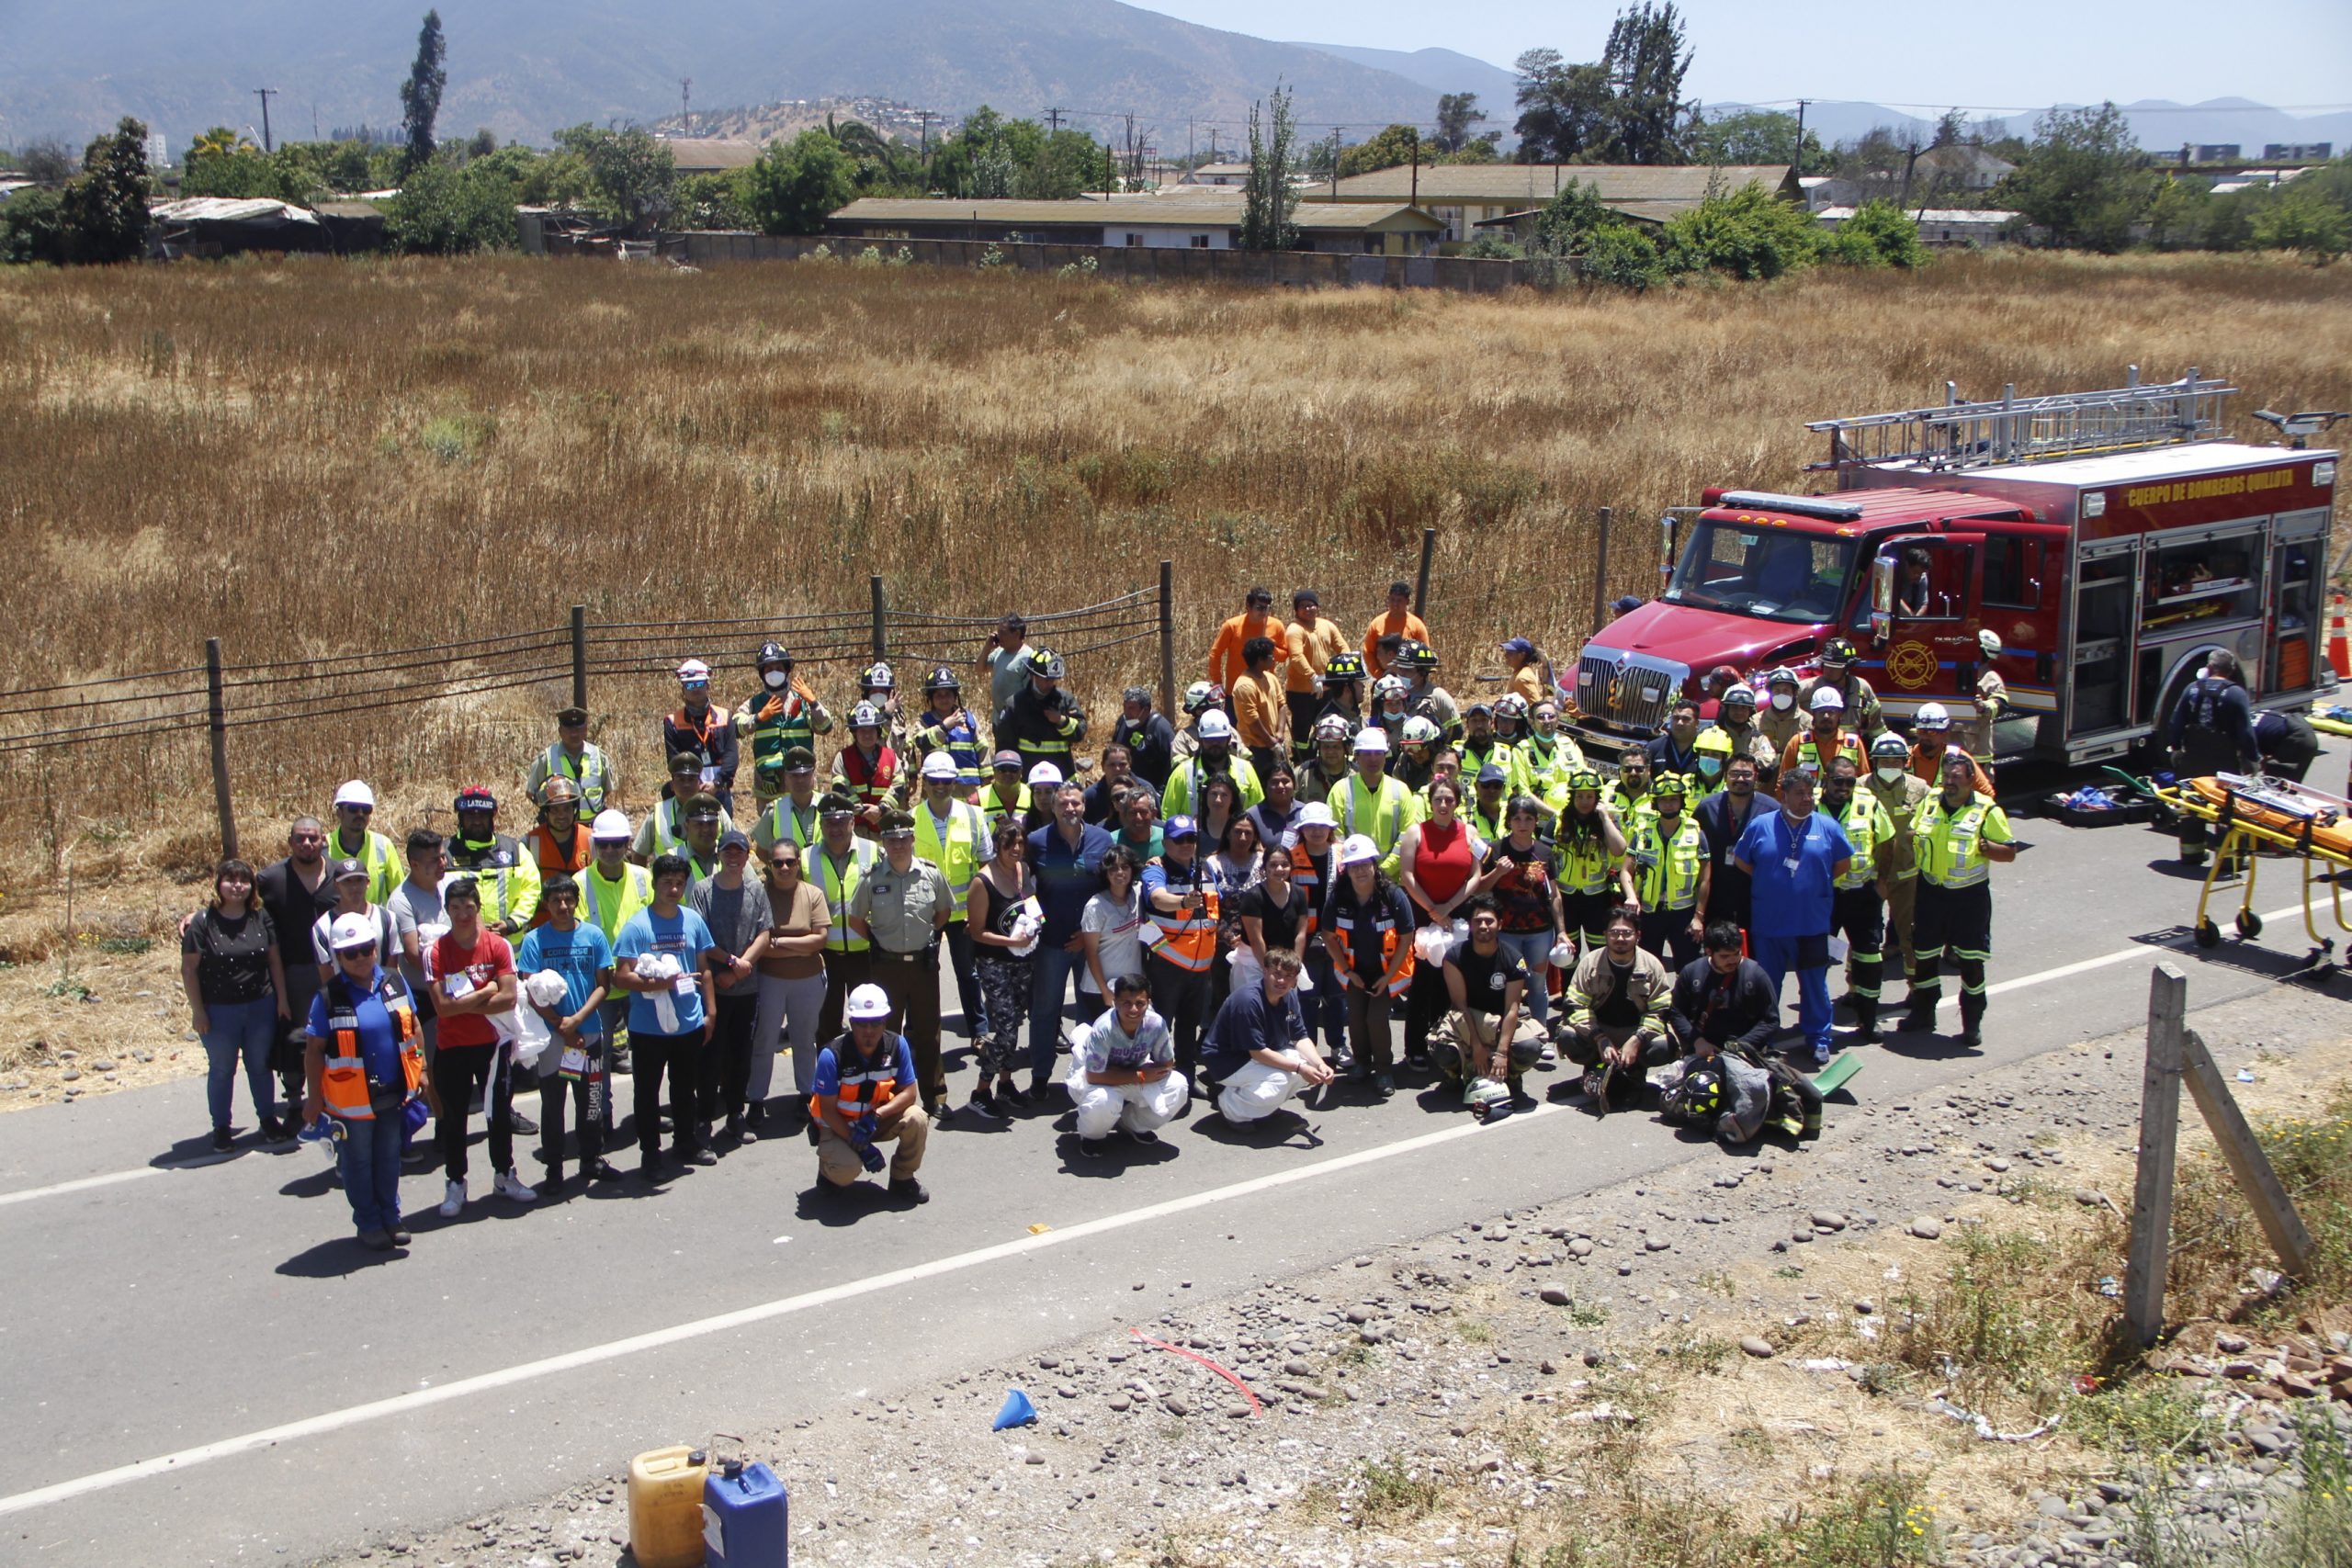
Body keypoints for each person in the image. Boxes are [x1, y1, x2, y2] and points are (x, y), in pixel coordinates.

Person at [303, 912, 425, 1249]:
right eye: (350, 953)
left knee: (388, 1157)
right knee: (358, 1162)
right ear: (338, 957)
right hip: (352, 1100)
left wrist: (423, 1070)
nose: (360, 958)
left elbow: (413, 1027)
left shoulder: (393, 981)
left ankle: (391, 1216)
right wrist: (314, 1099)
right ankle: (368, 1222)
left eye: (366, 949)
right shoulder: (327, 997)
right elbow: (314, 1051)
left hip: (393, 1090)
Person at [424, 877, 533, 1214]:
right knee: (454, 1119)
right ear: (447, 910)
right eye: (455, 908)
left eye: (468, 907)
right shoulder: (436, 952)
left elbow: (509, 998)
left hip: (493, 1045)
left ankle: (504, 1175)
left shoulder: (498, 947)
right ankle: (456, 1183)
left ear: (478, 907)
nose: (462, 914)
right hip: (452, 1047)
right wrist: (484, 993)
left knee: (499, 1115)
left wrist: (467, 1002)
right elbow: (442, 1008)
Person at [1734, 765, 1853, 1067]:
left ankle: (1818, 1038)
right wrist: (1773, 883)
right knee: (1768, 984)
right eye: (1799, 793)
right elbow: (1742, 861)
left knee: (1814, 984)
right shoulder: (1762, 825)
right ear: (1782, 795)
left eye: (1810, 793)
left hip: (1811, 922)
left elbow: (1842, 864)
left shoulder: (1827, 826)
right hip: (1770, 922)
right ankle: (1766, 1035)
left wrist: (1812, 886)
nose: (1806, 799)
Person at [613, 853, 722, 1178]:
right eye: (666, 883)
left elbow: (704, 970)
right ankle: (650, 1154)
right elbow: (621, 976)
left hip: (689, 1021)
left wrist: (711, 1011)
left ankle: (685, 1141)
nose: (673, 889)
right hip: (649, 1028)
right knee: (647, 1092)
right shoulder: (637, 926)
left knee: (685, 1087)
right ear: (655, 884)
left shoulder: (692, 921)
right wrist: (661, 982)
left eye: (678, 883)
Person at [1903, 749, 2018, 1050]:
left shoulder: (1987, 810)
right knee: (1924, 957)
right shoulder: (1929, 803)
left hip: (1969, 898)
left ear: (1970, 781)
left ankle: (1972, 1024)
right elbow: (1913, 832)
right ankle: (1924, 1012)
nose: (1949, 782)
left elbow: (2009, 852)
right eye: (1946, 777)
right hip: (1931, 892)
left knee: (1971, 964)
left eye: (1956, 778)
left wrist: (1986, 846)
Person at [514, 874, 619, 1190]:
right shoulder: (535, 940)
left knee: (590, 1102)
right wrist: (560, 1025)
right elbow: (530, 989)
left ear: (576, 902)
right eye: (556, 901)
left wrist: (577, 1021)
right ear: (546, 904)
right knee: (553, 1104)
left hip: (587, 1034)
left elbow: (603, 985)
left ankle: (591, 1159)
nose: (563, 906)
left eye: (568, 900)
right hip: (552, 1040)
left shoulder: (593, 935)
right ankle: (555, 1170)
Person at [849, 807, 956, 1113]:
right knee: (887, 1033)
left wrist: (928, 934)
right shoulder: (872, 879)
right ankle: (889, 1097)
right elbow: (856, 918)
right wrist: (878, 940)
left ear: (912, 840)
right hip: (886, 966)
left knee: (928, 1031)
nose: (897, 845)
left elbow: (943, 912)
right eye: (891, 839)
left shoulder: (930, 873)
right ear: (883, 842)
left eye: (903, 839)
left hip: (923, 964)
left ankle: (935, 1096)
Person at [182, 858, 291, 1150]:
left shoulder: (260, 917)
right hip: (219, 1011)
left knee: (260, 1066)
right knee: (222, 1069)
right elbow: (189, 970)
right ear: (218, 884)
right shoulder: (202, 923)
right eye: (230, 880)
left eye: (244, 880)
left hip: (260, 1005)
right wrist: (198, 1011)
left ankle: (268, 1119)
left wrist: (281, 999)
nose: (237, 886)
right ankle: (221, 1127)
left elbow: (274, 960)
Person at [809, 984, 931, 1205]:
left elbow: (910, 1093)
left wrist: (876, 1116)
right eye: (862, 1024)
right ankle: (829, 1172)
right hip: (838, 1126)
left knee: (917, 1117)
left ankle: (902, 1178)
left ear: (885, 1021)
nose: (869, 1030)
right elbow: (827, 1110)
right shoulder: (831, 1055)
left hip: (874, 1122)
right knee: (846, 1169)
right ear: (852, 1024)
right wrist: (861, 1146)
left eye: (876, 1023)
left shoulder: (897, 1045)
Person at [692, 829, 773, 1146]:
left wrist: (740, 971)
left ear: (747, 855)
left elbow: (764, 934)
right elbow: (700, 936)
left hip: (746, 987)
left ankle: (736, 1114)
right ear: (719, 854)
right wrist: (728, 964)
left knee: (742, 1054)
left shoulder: (756, 889)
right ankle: (704, 1118)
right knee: (710, 1056)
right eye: (728, 851)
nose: (734, 857)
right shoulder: (702, 890)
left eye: (739, 851)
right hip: (713, 987)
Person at [1319, 832, 1416, 1093]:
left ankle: (1384, 1070)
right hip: (1355, 972)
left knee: (1375, 1017)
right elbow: (1327, 936)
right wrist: (1349, 971)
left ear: (1374, 865)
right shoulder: (1338, 897)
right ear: (1346, 870)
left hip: (1387, 972)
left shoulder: (1392, 895)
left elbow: (1407, 937)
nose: (1360, 870)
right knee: (1357, 1017)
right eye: (1354, 866)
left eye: (1364, 864)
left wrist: (1388, 977)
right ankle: (1362, 1064)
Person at [1398, 777, 1486, 1062]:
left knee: (1454, 981)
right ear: (1430, 802)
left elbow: (1475, 875)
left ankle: (1449, 1044)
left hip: (1458, 913)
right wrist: (1434, 910)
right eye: (1438, 799)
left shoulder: (1469, 833)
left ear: (1457, 802)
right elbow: (1407, 876)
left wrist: (1449, 906)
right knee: (1423, 982)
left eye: (1449, 799)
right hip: (1424, 914)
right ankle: (1417, 1049)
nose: (1444, 804)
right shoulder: (1415, 833)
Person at [909, 750, 993, 1042]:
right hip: (925, 913)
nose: (940, 786)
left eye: (946, 780)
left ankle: (979, 1032)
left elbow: (985, 866)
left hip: (963, 913)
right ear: (925, 782)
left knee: (968, 974)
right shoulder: (912, 819)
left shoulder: (973, 815)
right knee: (920, 976)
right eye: (934, 780)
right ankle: (916, 1033)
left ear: (955, 782)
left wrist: (979, 910)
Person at [256, 817, 338, 1118]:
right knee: (295, 1036)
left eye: (313, 838)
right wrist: (195, 918)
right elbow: (235, 902)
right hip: (294, 971)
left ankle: (335, 1095)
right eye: (300, 838)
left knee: (337, 1033)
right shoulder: (270, 879)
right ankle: (294, 1101)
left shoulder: (339, 874)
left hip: (337, 967)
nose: (307, 844)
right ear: (290, 842)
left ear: (323, 841)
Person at [1557, 906, 1674, 1111]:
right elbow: (1574, 1006)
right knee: (1566, 1035)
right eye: (1614, 932)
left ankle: (1634, 1070)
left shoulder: (1652, 965)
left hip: (1635, 1031)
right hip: (1599, 1030)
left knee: (1665, 1046)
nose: (1620, 938)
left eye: (1627, 933)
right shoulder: (1590, 963)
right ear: (1605, 935)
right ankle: (1595, 1066)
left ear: (1638, 935)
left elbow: (1661, 1010)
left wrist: (1637, 1040)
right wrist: (1600, 1038)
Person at [749, 838, 830, 1134]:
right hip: (770, 981)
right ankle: (756, 1098)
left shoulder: (813, 894)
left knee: (804, 1040)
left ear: (798, 864)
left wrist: (778, 942)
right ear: (769, 866)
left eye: (790, 862)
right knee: (765, 1040)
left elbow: (819, 940)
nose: (784, 867)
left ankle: (807, 1094)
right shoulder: (760, 894)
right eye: (778, 862)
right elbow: (757, 945)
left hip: (808, 981)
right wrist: (800, 945)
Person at [1201, 949, 1330, 1126]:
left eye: (1289, 976)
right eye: (1277, 974)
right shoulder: (1248, 1001)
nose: (1282, 980)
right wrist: (1299, 1068)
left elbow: (1300, 1037)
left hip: (1259, 1054)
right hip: (1228, 1062)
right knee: (1281, 1079)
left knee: (1306, 1068)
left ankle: (1262, 1106)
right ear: (1265, 971)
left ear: (1295, 979)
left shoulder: (1290, 995)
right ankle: (1230, 1106)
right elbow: (1258, 1053)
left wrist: (1320, 1064)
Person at [1433, 897, 1542, 1107]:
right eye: (1478, 921)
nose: (1483, 926)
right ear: (1470, 925)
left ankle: (1511, 1075)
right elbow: (1460, 1005)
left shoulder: (1513, 959)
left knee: (1530, 1047)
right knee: (1443, 1052)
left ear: (1500, 924)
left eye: (1489, 921)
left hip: (1501, 1022)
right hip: (1467, 1019)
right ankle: (1457, 1074)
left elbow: (1513, 1008)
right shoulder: (1454, 957)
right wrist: (1476, 1045)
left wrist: (1501, 1052)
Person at [1820, 757, 1897, 1043]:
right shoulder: (1811, 804)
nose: (1844, 787)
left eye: (1850, 782)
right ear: (1826, 779)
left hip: (1862, 895)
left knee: (1868, 957)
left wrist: (1882, 883)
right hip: (1824, 899)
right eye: (1838, 781)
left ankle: (1868, 1019)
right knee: (1819, 959)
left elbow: (1887, 842)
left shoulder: (1869, 803)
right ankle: (1816, 1023)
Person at [1067, 973, 1186, 1155]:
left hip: (1129, 1073)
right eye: (1126, 1003)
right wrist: (1139, 1075)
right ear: (1115, 1003)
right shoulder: (1104, 1028)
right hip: (1100, 1079)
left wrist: (1130, 1073)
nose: (1133, 1010)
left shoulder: (1156, 1024)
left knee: (1178, 1086)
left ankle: (1132, 1124)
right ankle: (1092, 1136)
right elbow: (1094, 1075)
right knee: (1101, 1102)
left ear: (1148, 1002)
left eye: (1140, 1003)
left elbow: (1167, 1064)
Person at [968, 819, 1039, 1115]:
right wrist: (1010, 941)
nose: (1016, 849)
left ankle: (1005, 1083)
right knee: (1006, 1030)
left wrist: (1034, 930)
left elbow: (1033, 906)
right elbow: (976, 931)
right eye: (1009, 844)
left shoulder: (1024, 871)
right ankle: (981, 1091)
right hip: (994, 963)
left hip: (1023, 962)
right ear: (997, 845)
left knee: (1015, 1022)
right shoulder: (982, 882)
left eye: (1020, 843)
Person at [1471, 795, 1562, 1027]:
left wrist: (1561, 931)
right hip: (1506, 932)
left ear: (1535, 822)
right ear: (1509, 821)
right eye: (1517, 819)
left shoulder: (1544, 852)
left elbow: (1555, 895)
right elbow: (1478, 889)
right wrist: (1497, 873)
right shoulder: (1495, 849)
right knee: (1505, 982)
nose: (1522, 824)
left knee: (1537, 983)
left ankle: (1539, 1033)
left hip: (1540, 931)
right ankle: (1503, 1031)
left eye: (1528, 819)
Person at [1142, 815, 1218, 1083]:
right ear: (1165, 842)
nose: (1186, 844)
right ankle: (1157, 1078)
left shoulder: (1206, 869)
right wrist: (1184, 901)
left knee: (1189, 1026)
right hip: (1168, 964)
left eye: (1191, 839)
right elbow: (1157, 899)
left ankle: (1187, 1076)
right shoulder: (1156, 869)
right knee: (1160, 1024)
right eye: (1179, 840)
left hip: (1201, 968)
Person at [2168, 649, 2261, 867]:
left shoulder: (2191, 689)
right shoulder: (2236, 693)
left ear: (2209, 668)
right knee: (2227, 805)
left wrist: (2175, 749)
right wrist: (2252, 759)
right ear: (2231, 671)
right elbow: (2246, 732)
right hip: (2224, 759)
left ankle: (2191, 853)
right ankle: (2229, 859)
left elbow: (2176, 722)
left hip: (2193, 756)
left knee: (2192, 802)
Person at [1863, 732, 1932, 1014]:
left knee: (1910, 936)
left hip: (1906, 876)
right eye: (1884, 760)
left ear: (1905, 762)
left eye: (1896, 760)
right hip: (1868, 875)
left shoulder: (1921, 788)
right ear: (1874, 761)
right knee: (1864, 937)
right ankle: (1857, 989)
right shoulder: (1859, 787)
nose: (1890, 764)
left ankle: (1917, 989)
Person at [578, 810, 651, 1066]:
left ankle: (646, 1107)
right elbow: (580, 937)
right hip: (601, 985)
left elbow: (657, 925)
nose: (610, 849)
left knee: (647, 1052)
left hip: (640, 980)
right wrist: (604, 970)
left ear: (627, 844)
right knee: (600, 1054)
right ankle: (603, 1109)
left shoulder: (643, 877)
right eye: (603, 844)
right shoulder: (580, 882)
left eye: (617, 843)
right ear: (594, 844)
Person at [809, 795, 880, 1043]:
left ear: (852, 822)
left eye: (841, 821)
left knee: (868, 1023)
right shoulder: (806, 857)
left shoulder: (873, 851)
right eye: (829, 823)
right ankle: (829, 1079)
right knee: (826, 1026)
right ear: (821, 824)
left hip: (865, 954)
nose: (835, 828)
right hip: (824, 956)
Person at [735, 642, 832, 815]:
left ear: (787, 669)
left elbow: (825, 726)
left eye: (778, 667)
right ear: (762, 673)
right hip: (767, 781)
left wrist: (813, 702)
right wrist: (758, 717)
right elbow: (735, 727)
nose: (774, 672)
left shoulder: (801, 700)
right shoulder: (754, 703)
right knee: (771, 828)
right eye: (768, 668)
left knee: (803, 820)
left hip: (800, 777)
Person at [1667, 922, 1780, 1064]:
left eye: (1736, 953)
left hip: (1744, 1054)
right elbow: (1676, 1013)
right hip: (1702, 1051)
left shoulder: (1756, 975)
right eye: (1725, 956)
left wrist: (1740, 1046)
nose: (1732, 960)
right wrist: (1697, 1041)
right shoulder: (1691, 973)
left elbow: (1771, 1020)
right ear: (1709, 951)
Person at [1627, 773, 1706, 970]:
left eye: (1673, 799)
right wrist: (1631, 897)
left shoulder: (1695, 832)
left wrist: (1698, 917)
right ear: (1656, 802)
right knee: (1646, 966)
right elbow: (1626, 871)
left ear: (1681, 801)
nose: (1669, 804)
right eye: (1663, 800)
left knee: (1688, 967)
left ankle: (1685, 1002)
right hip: (1649, 911)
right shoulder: (1643, 832)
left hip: (1683, 913)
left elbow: (1705, 879)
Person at [1554, 772, 1633, 956]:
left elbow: (1619, 849)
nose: (1584, 801)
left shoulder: (1608, 822)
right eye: (1579, 796)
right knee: (1567, 954)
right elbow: (1544, 856)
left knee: (1600, 953)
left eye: (1590, 796)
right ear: (1572, 797)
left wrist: (1605, 818)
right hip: (1566, 898)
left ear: (1598, 798)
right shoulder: (1558, 821)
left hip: (1597, 898)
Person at [447, 786, 543, 938]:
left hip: (510, 949)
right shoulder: (445, 853)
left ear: (492, 817)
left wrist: (512, 923)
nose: (477, 821)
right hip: (462, 948)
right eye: (471, 815)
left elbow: (532, 889)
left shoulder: (515, 850)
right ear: (461, 818)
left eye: (483, 815)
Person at [389, 828, 450, 1063]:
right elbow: (414, 954)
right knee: (435, 1061)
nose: (442, 863)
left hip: (459, 988)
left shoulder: (448, 884)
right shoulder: (401, 901)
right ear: (414, 864)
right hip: (426, 995)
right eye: (434, 860)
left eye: (443, 856)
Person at [1695, 753, 1773, 937]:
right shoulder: (1707, 807)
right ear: (1725, 776)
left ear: (1756, 776)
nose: (1740, 779)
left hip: (1754, 892)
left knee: (1753, 952)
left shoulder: (1771, 809)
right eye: (1735, 773)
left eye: (1746, 774)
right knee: (1718, 949)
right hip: (1716, 891)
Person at [1333, 728, 1422, 876]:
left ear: (1385, 755)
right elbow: (1336, 838)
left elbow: (1407, 836)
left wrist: (1384, 870)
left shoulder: (1400, 790)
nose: (1373, 759)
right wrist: (1357, 869)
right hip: (1354, 877)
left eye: (1378, 753)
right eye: (1367, 754)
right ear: (1356, 756)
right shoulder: (1341, 790)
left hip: (1392, 880)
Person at [1080, 844, 1149, 1016]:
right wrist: (1105, 991)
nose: (1120, 873)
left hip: (1132, 985)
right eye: (1113, 868)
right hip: (1100, 989)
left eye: (1125, 867)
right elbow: (1091, 952)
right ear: (1106, 873)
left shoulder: (1139, 892)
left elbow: (1148, 931)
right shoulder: (1095, 906)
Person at [634, 750, 738, 863]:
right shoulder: (658, 814)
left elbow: (735, 845)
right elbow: (639, 852)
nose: (686, 784)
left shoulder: (716, 810)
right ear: (672, 785)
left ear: (699, 783)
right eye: (681, 779)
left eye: (691, 779)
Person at [997, 647, 1087, 778]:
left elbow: (1080, 732)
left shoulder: (1065, 700)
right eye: (1046, 679)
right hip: (1028, 777)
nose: (1050, 683)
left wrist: (1061, 721)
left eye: (1053, 679)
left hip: (1062, 775)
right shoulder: (1015, 704)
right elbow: (1005, 744)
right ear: (1034, 675)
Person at [663, 658, 739, 815]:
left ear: (708, 686)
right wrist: (693, 784)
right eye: (690, 685)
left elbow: (731, 756)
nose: (695, 689)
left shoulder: (725, 716)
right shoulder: (672, 722)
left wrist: (717, 783)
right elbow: (674, 760)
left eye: (699, 684)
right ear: (683, 690)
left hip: (719, 788)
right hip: (688, 789)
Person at [1163, 709, 1265, 818]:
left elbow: (1260, 813)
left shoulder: (1246, 770)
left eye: (1220, 739)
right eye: (1210, 740)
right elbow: (1168, 815)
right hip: (1194, 834)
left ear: (1229, 739)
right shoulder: (1182, 773)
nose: (1215, 744)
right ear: (1200, 740)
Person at [1284, 590, 1350, 758]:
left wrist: (1345, 667)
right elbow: (1296, 656)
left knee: (1326, 725)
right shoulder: (1295, 630)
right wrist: (1311, 676)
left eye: (1311, 605)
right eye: (1303, 606)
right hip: (1301, 692)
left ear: (1317, 607)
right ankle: (1299, 760)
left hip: (1326, 688)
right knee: (1301, 730)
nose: (1308, 609)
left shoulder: (1326, 625)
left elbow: (1342, 647)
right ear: (1297, 610)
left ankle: (1322, 757)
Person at [521, 777, 593, 927]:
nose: (561, 815)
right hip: (542, 927)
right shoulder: (530, 842)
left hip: (584, 926)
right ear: (545, 812)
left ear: (575, 809)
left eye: (567, 808)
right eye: (555, 809)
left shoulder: (591, 839)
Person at [911, 665, 988, 799]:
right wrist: (944, 727)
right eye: (938, 695)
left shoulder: (969, 719)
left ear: (955, 696)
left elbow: (983, 749)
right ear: (931, 699)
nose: (944, 699)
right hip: (936, 788)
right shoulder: (924, 722)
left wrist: (987, 782)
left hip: (968, 790)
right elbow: (920, 742)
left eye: (948, 694)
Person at [526, 705, 614, 817]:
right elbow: (531, 793)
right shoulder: (546, 758)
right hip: (560, 830)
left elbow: (607, 790)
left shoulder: (599, 756)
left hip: (592, 828)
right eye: (569, 729)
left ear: (586, 730)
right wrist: (552, 813)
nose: (574, 734)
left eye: (578, 729)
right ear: (560, 731)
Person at [326, 780, 402, 904]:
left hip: (374, 921)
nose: (360, 814)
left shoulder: (383, 845)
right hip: (337, 921)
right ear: (339, 812)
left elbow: (398, 892)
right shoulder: (324, 846)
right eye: (353, 808)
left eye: (366, 809)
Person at [832, 703, 900, 837]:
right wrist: (863, 810)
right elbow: (840, 787)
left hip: (885, 829)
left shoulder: (891, 757)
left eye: (871, 730)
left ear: (878, 731)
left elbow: (899, 786)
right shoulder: (843, 758)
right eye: (862, 730)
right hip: (855, 830)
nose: (867, 735)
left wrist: (881, 809)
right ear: (854, 732)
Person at [1209, 586, 1292, 691]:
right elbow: (1215, 653)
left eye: (1267, 608)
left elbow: (1284, 656)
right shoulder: (1232, 626)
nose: (1263, 612)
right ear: (1248, 606)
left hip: (1265, 688)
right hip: (1237, 689)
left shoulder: (1276, 626)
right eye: (1259, 608)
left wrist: (1269, 648)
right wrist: (1217, 682)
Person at [1799, 637, 1883, 738]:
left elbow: (1876, 727)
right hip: (1817, 746)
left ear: (1847, 668)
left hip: (1851, 749)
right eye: (1826, 665)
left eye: (1835, 667)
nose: (1829, 671)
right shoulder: (1805, 689)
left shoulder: (1861, 687)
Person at [1231, 636, 1290, 778]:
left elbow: (1282, 705)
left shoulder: (1271, 678)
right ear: (1260, 660)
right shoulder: (1245, 686)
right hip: (1255, 748)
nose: (1274, 659)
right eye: (1271, 656)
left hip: (1274, 744)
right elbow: (1252, 721)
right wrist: (1270, 742)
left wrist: (1280, 733)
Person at [1781, 688, 1865, 784]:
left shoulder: (1854, 744)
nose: (1826, 716)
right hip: (1807, 799)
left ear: (1840, 714)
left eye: (1831, 712)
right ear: (1813, 714)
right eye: (1821, 711)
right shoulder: (1797, 742)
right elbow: (1783, 782)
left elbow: (1863, 781)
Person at [752, 747, 824, 858]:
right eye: (794, 776)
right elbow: (762, 852)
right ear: (785, 777)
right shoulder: (774, 811)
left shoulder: (827, 805)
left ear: (814, 774)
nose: (800, 780)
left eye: (805, 775)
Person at [1907, 705, 1994, 795]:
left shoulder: (1960, 758)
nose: (1925, 737)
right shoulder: (1905, 758)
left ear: (1945, 733)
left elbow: (1987, 794)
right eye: (1921, 731)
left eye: (1931, 732)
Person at [1108, 686, 1177, 792]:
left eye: (1131, 708)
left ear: (1146, 709)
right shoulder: (1122, 722)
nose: (1127, 712)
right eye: (1125, 707)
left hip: (1151, 792)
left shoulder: (1160, 728)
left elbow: (1172, 764)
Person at [1363, 581, 1430, 679]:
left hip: (1409, 680)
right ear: (1388, 599)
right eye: (1392, 600)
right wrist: (1379, 675)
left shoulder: (1417, 626)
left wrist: (1415, 678)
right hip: (1383, 678)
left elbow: (1424, 655)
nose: (1395, 604)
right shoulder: (1376, 624)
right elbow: (1368, 652)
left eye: (1399, 601)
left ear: (1407, 601)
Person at [981, 613, 1035, 734]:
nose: (999, 637)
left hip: (1018, 724)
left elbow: (1031, 694)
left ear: (1016, 634)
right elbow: (980, 668)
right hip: (999, 721)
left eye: (1003, 633)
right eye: (998, 633)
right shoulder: (1000, 651)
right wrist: (987, 647)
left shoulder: (1027, 658)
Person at [1967, 629, 2009, 777]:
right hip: (1953, 749)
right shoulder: (1959, 672)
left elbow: (2001, 703)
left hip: (1978, 755)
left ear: (1980, 652)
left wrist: (1984, 706)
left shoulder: (1989, 677)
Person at [1399, 642, 1460, 741]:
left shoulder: (1438, 698)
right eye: (1400, 669)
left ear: (1422, 672)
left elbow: (1455, 733)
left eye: (1408, 670)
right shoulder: (1393, 695)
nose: (1402, 674)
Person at [858, 661, 914, 769]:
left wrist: (912, 776)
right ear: (866, 694)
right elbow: (878, 740)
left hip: (898, 777)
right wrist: (887, 715)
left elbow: (907, 746)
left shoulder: (898, 715)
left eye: (882, 691)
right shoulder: (861, 716)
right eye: (874, 690)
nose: (878, 694)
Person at [1295, 714, 1356, 807]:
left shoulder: (1357, 775)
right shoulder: (1302, 774)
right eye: (1326, 746)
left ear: (1346, 748)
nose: (1330, 752)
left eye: (1336, 747)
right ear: (1318, 747)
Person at [1246, 760, 1304, 849]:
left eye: (1285, 781)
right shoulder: (1252, 816)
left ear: (1294, 784)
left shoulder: (1305, 811)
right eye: (1274, 782)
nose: (1280, 786)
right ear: (1265, 786)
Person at [978, 750, 1034, 839]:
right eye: (1002, 769)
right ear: (994, 771)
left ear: (1021, 772)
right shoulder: (976, 800)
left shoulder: (1032, 795)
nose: (1008, 773)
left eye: (1013, 769)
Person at [1645, 699, 1705, 779]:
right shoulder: (1653, 748)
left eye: (1686, 719)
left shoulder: (1705, 750)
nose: (1680, 723)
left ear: (1697, 723)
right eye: (1676, 718)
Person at [1758, 668, 1806, 763]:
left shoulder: (1808, 723)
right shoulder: (1756, 721)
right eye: (1777, 691)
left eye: (1786, 690)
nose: (1781, 695)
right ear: (1770, 694)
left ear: (1794, 692)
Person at [1084, 742, 1136, 826]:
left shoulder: (1144, 788)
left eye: (1122, 764)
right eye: (1112, 765)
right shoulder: (1090, 796)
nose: (1117, 769)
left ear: (1129, 765)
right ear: (1102, 767)